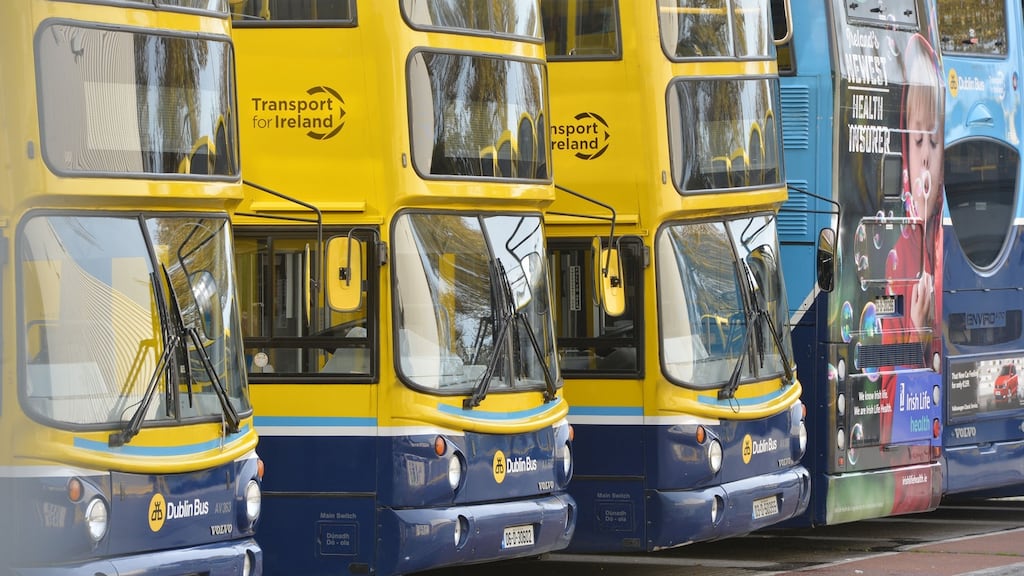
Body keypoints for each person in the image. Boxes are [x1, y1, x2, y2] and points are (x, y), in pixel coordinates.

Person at [879, 32, 944, 446]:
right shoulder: (896, 259)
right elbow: (887, 424)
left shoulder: (935, 246)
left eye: (934, 142)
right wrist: (917, 330)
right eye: (917, 140)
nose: (925, 156)